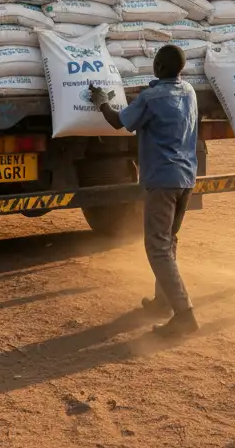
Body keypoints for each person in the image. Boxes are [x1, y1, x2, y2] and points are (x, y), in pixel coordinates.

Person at [90, 44, 201, 338]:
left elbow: (118, 122)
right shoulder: (188, 91)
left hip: (162, 180)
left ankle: (184, 314)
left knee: (157, 247)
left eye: (155, 62)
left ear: (161, 67)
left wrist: (101, 102)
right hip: (186, 178)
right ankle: (163, 302)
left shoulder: (150, 98)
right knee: (169, 241)